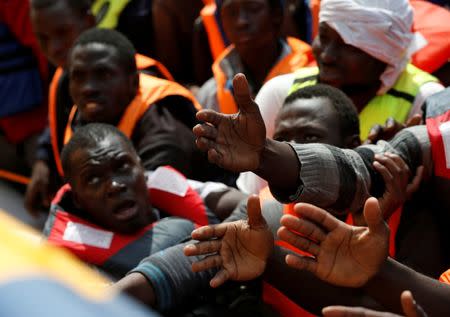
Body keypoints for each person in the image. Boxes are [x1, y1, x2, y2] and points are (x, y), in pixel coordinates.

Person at [193, 74, 450, 277]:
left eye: (310, 138)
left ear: (351, 142)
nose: (296, 146)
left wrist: (271, 262)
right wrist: (267, 155)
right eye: (282, 140)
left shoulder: (409, 209)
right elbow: (356, 168)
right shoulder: (268, 211)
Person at [26, 0, 174, 216]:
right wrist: (43, 160)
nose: (53, 48)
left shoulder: (153, 108)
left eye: (62, 33)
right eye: (43, 38)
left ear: (88, 22)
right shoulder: (63, 79)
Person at [44, 123, 236, 278]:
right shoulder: (68, 264)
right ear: (77, 199)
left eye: (122, 167)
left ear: (141, 167)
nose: (114, 186)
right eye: (93, 179)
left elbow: (249, 204)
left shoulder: (163, 184)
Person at [254, 0, 444, 143]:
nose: (327, 55)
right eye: (323, 36)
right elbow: (254, 192)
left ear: (385, 55)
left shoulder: (426, 101)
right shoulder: (280, 92)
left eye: (348, 46)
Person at [237, 83, 360, 195]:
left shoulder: (375, 207)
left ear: (351, 147)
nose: (290, 147)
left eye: (309, 137)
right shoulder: (264, 205)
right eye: (280, 140)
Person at [196, 0, 313, 114]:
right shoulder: (210, 96)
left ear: (276, 14)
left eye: (253, 9)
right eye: (231, 12)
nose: (241, 22)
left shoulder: (311, 77)